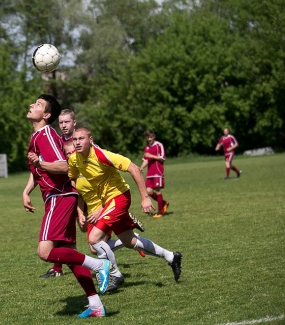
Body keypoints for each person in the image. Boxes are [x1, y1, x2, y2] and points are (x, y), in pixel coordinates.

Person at [22, 94, 111, 318]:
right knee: (69, 254)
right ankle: (95, 305)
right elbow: (41, 169)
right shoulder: (38, 136)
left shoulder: (45, 134)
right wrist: (26, 191)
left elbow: (63, 166)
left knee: (46, 252)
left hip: (59, 196)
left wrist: (40, 162)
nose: (32, 105)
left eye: (39, 105)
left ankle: (99, 265)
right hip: (59, 196)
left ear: (47, 115)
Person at [68, 127, 182, 285]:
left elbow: (134, 168)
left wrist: (145, 198)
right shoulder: (74, 159)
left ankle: (115, 275)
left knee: (94, 239)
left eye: (81, 139)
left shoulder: (102, 155)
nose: (78, 142)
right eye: (75, 139)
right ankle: (171, 256)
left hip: (119, 197)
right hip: (107, 201)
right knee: (129, 241)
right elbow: (72, 178)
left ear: (91, 140)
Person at [64, 140, 146, 293]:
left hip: (103, 208)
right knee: (95, 247)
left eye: (71, 151)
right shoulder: (76, 167)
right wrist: (80, 213)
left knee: (95, 241)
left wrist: (101, 209)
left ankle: (114, 275)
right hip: (91, 211)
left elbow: (105, 190)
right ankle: (130, 237)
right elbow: (80, 195)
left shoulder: (92, 164)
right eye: (67, 153)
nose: (70, 154)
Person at [39, 109, 77, 279]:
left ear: (74, 122)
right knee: (65, 236)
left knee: (93, 235)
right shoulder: (57, 141)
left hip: (83, 191)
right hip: (69, 193)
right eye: (61, 122)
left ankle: (106, 265)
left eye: (67, 122)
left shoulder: (80, 140)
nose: (63, 125)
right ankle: (58, 268)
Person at [140, 130, 169, 218]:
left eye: (151, 137)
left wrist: (151, 156)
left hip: (157, 171)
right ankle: (163, 203)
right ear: (146, 138)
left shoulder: (158, 145)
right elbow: (146, 159)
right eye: (148, 137)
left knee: (157, 190)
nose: (150, 139)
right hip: (150, 173)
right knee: (148, 191)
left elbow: (162, 158)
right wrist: (141, 167)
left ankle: (160, 212)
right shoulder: (147, 148)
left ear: (154, 136)